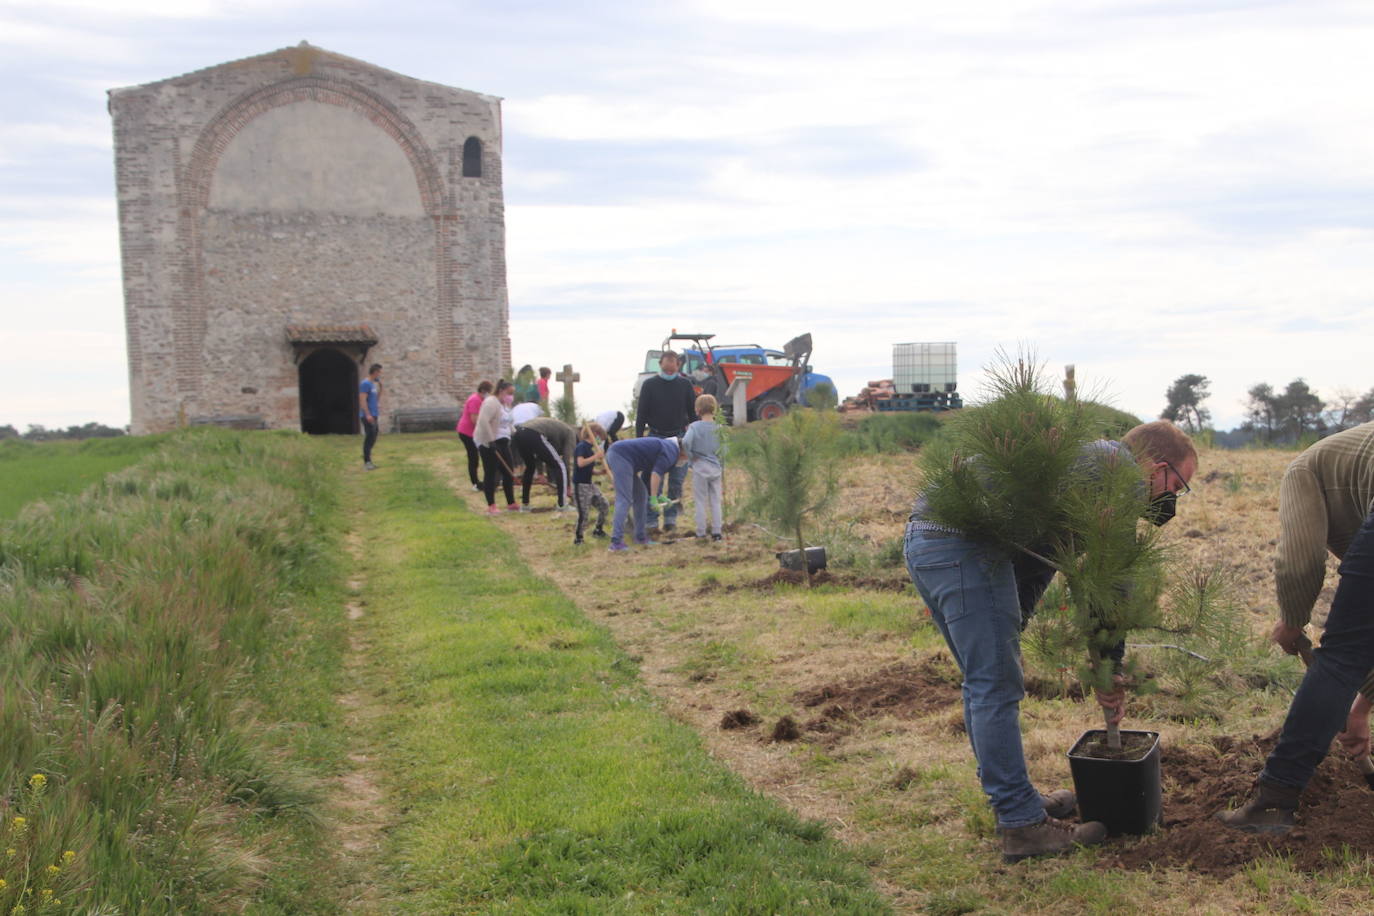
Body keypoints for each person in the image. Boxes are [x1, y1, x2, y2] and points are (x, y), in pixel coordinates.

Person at [904, 420, 1197, 862]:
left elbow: (1042, 558)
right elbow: (1108, 581)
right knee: (994, 684)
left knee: (987, 679)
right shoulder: (1116, 475)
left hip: (936, 540)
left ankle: (1014, 799)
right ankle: (1021, 825)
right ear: (1157, 469)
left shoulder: (1084, 468)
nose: (1171, 500)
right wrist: (1108, 665)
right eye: (1178, 486)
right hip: (961, 546)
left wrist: (1099, 660)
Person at [1217, 422, 1374, 835]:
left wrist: (1292, 618)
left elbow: (1301, 558)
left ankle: (1275, 803)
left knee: (1338, 657)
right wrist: (1360, 708)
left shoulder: (1304, 468)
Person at [634, 350, 696, 532]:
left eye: (673, 368)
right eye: (666, 367)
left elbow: (692, 414)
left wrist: (695, 437)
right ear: (660, 364)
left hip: (679, 438)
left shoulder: (685, 385)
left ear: (678, 366)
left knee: (676, 482)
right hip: (655, 437)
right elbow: (641, 415)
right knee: (653, 480)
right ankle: (652, 521)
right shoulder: (649, 385)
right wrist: (639, 440)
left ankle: (671, 520)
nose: (669, 371)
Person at [604, 435, 685, 552]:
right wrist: (653, 499)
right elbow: (656, 474)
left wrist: (657, 496)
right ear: (683, 451)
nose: (686, 460)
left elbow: (648, 478)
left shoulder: (668, 450)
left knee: (641, 495)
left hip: (624, 458)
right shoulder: (671, 451)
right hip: (620, 455)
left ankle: (640, 537)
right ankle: (616, 542)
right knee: (624, 499)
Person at [682, 394, 725, 542]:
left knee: (700, 500)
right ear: (715, 409)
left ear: (697, 409)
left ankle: (701, 532)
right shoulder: (720, 428)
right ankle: (717, 532)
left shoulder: (694, 426)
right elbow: (725, 450)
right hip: (716, 467)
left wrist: (690, 455)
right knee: (715, 500)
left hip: (700, 466)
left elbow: (686, 442)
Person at [513, 415, 577, 512]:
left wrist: (540, 473)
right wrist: (567, 486)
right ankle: (562, 504)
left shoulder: (557, 431)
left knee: (530, 467)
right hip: (533, 433)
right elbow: (566, 461)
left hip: (519, 433)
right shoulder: (570, 433)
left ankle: (525, 505)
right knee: (560, 466)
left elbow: (541, 453)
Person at [473, 380, 518, 515]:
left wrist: (516, 433)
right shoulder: (491, 402)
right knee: (491, 474)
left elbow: (508, 423)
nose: (511, 396)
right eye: (509, 393)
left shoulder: (505, 405)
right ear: (501, 391)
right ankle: (491, 505)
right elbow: (483, 421)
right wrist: (490, 441)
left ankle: (511, 503)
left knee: (508, 472)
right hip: (489, 442)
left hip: (504, 442)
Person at [572, 422, 610, 544]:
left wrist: (599, 472)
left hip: (590, 484)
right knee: (584, 514)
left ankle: (598, 530)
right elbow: (580, 463)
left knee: (604, 505)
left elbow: (587, 468)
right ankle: (579, 538)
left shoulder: (589, 449)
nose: (600, 440)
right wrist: (596, 456)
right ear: (594, 434)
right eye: (599, 437)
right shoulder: (582, 447)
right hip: (580, 486)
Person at [456, 380, 492, 491]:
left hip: (473, 432)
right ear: (483, 391)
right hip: (467, 432)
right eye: (488, 392)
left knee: (477, 456)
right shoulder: (475, 400)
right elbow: (474, 419)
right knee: (473, 457)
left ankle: (480, 481)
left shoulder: (479, 399)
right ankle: (475, 483)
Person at [358, 363, 382, 470]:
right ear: (375, 372)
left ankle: (368, 458)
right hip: (368, 415)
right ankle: (367, 462)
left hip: (374, 414)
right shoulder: (365, 383)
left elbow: (376, 399)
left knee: (374, 436)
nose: (380, 374)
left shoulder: (373, 384)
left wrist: (381, 387)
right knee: (369, 437)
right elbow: (362, 400)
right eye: (380, 372)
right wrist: (367, 414)